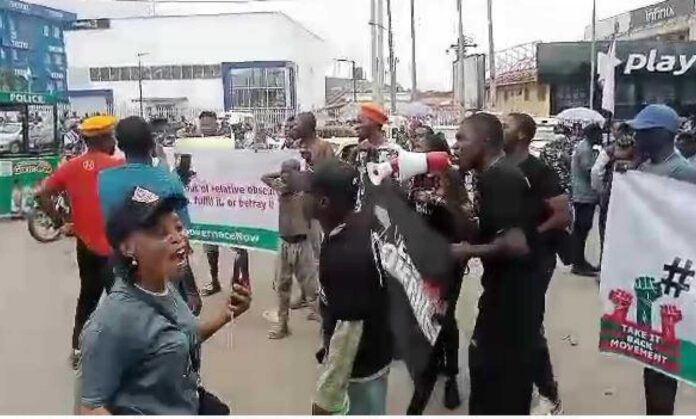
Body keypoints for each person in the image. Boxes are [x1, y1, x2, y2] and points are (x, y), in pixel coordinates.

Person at [79, 186, 251, 415]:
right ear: (128, 247)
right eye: (160, 232)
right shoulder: (111, 323)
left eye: (179, 227)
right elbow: (91, 407)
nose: (178, 238)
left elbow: (182, 336)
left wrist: (227, 312)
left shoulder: (166, 288)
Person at [450, 112, 542, 415]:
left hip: (513, 301)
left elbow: (515, 244)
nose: (456, 144)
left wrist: (468, 251)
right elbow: (486, 230)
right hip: (504, 294)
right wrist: (455, 198)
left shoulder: (502, 177)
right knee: (490, 379)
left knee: (497, 385)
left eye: (462, 137)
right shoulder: (490, 176)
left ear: (485, 140)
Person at [623, 104, 696, 415]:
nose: (636, 135)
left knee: (666, 361)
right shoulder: (641, 169)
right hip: (648, 278)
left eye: (644, 130)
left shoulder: (684, 172)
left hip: (674, 280)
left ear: (664, 134)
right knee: (651, 357)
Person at [35, 115, 124, 369]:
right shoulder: (118, 165)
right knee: (121, 300)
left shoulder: (71, 166)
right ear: (106, 138)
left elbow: (41, 194)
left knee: (87, 296)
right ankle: (123, 355)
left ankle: (77, 349)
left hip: (85, 244)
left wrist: (59, 220)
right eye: (112, 136)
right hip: (113, 246)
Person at [308, 160, 392, 415]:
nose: (303, 200)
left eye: (308, 194)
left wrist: (327, 396)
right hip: (377, 347)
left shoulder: (346, 255)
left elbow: (349, 333)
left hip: (360, 368)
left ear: (323, 203)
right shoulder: (359, 223)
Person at [98, 116, 201, 315]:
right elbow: (181, 237)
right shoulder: (168, 179)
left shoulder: (105, 180)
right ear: (151, 142)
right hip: (163, 274)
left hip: (122, 270)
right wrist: (191, 289)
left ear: (120, 145)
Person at [504, 112, 572, 415]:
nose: (499, 129)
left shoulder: (539, 171)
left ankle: (548, 393)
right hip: (508, 261)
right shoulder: (500, 167)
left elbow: (562, 215)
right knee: (512, 322)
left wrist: (531, 235)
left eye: (506, 126)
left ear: (521, 135)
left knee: (530, 325)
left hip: (537, 260)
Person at [406, 132, 475, 414]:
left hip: (448, 261)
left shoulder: (452, 178)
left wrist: (442, 201)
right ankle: (429, 366)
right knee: (425, 314)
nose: (414, 153)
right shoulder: (416, 177)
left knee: (444, 317)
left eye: (420, 150)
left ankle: (451, 376)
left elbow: (464, 222)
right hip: (421, 258)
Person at [261, 159, 319, 339]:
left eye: (288, 172)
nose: (284, 176)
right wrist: (282, 174)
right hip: (285, 244)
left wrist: (298, 177)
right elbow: (264, 177)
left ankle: (327, 328)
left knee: (312, 290)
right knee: (282, 287)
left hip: (302, 245)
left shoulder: (306, 192)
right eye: (283, 172)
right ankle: (283, 324)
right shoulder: (281, 188)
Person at [198, 111, 251, 296]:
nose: (205, 128)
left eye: (209, 124)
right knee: (210, 247)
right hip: (206, 203)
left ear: (216, 125)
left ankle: (244, 282)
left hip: (226, 202)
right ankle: (214, 281)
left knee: (238, 244)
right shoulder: (195, 147)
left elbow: (239, 169)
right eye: (202, 125)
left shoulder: (227, 145)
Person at [591, 124, 635, 250]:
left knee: (606, 230)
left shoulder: (609, 151)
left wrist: (601, 190)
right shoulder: (639, 151)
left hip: (610, 196)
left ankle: (605, 263)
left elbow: (595, 172)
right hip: (633, 199)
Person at [569, 123, 602, 277]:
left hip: (585, 194)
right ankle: (578, 262)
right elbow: (589, 170)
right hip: (584, 195)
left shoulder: (587, 147)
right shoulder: (584, 149)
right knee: (581, 229)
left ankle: (580, 260)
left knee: (583, 229)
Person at [540, 124, 574, 195]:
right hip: (553, 181)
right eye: (558, 133)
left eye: (561, 133)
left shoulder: (569, 147)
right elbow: (542, 163)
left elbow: (572, 164)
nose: (559, 136)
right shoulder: (547, 147)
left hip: (564, 181)